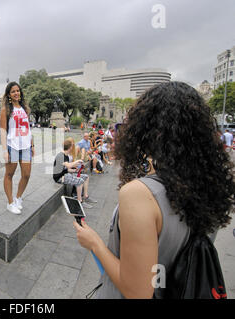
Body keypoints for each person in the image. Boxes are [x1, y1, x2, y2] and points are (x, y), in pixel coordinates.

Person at [74, 81, 234, 299]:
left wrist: (94, 243)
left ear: (147, 130)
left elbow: (138, 291)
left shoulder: (140, 194)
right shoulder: (208, 186)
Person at [0, 82, 34, 215]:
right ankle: (10, 203)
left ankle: (18, 198)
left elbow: (28, 128)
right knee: (9, 174)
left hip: (25, 147)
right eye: (13, 91)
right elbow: (3, 131)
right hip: (12, 146)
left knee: (26, 174)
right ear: (9, 94)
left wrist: (32, 144)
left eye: (18, 91)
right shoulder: (5, 110)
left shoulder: (24, 108)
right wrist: (4, 150)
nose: (16, 93)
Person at [54, 139, 97, 207]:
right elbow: (68, 165)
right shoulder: (61, 156)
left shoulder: (66, 155)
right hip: (59, 177)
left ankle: (85, 196)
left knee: (86, 177)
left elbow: (67, 169)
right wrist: (77, 161)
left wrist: (74, 171)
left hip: (65, 174)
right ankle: (80, 201)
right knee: (80, 181)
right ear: (70, 147)